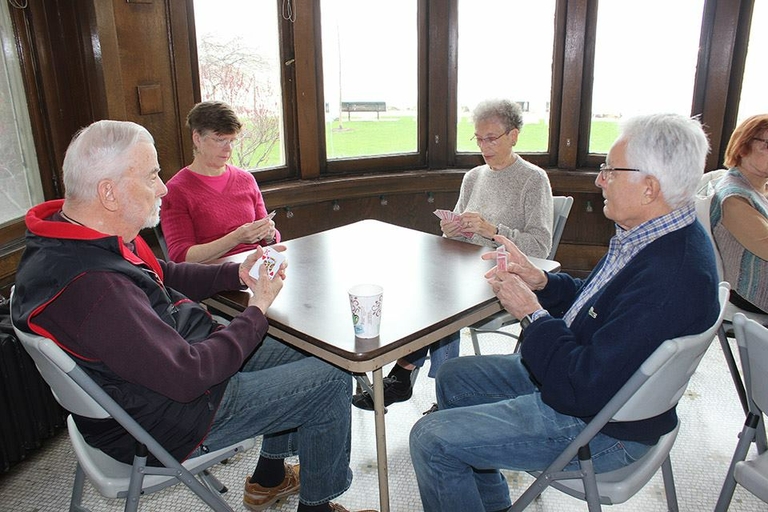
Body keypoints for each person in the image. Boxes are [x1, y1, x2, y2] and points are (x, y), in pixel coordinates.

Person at [11, 120, 373, 512]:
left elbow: (162, 274)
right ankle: (316, 507)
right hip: (175, 417)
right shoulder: (96, 287)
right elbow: (188, 376)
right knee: (332, 376)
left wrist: (235, 272)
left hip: (152, 386)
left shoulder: (72, 240)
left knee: (303, 350)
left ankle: (268, 476)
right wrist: (256, 310)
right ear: (109, 193)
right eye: (152, 176)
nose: (163, 188)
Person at [408, 113, 720, 512]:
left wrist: (532, 314)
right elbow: (599, 303)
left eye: (610, 170)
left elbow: (580, 384)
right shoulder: (656, 234)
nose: (599, 179)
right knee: (453, 377)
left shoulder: (669, 276)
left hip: (601, 427)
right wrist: (543, 282)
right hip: (597, 389)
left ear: (649, 188)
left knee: (430, 439)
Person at [352, 98, 553, 411]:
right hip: (466, 269)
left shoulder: (533, 179)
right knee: (427, 290)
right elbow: (455, 236)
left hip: (506, 276)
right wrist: (452, 227)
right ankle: (423, 384)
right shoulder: (473, 177)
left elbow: (540, 247)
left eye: (492, 138)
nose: (484, 146)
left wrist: (492, 230)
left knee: (441, 302)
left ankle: (409, 378)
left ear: (513, 136)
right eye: (479, 138)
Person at [162, 100, 279, 263]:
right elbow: (181, 256)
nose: (228, 148)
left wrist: (269, 234)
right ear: (197, 139)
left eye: (231, 141)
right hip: (212, 278)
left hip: (255, 267)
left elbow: (269, 239)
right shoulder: (176, 190)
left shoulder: (246, 180)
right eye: (220, 140)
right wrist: (235, 238)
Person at [711, 114, 768, 314]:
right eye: (767, 145)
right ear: (742, 147)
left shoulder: (758, 187)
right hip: (752, 291)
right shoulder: (734, 197)